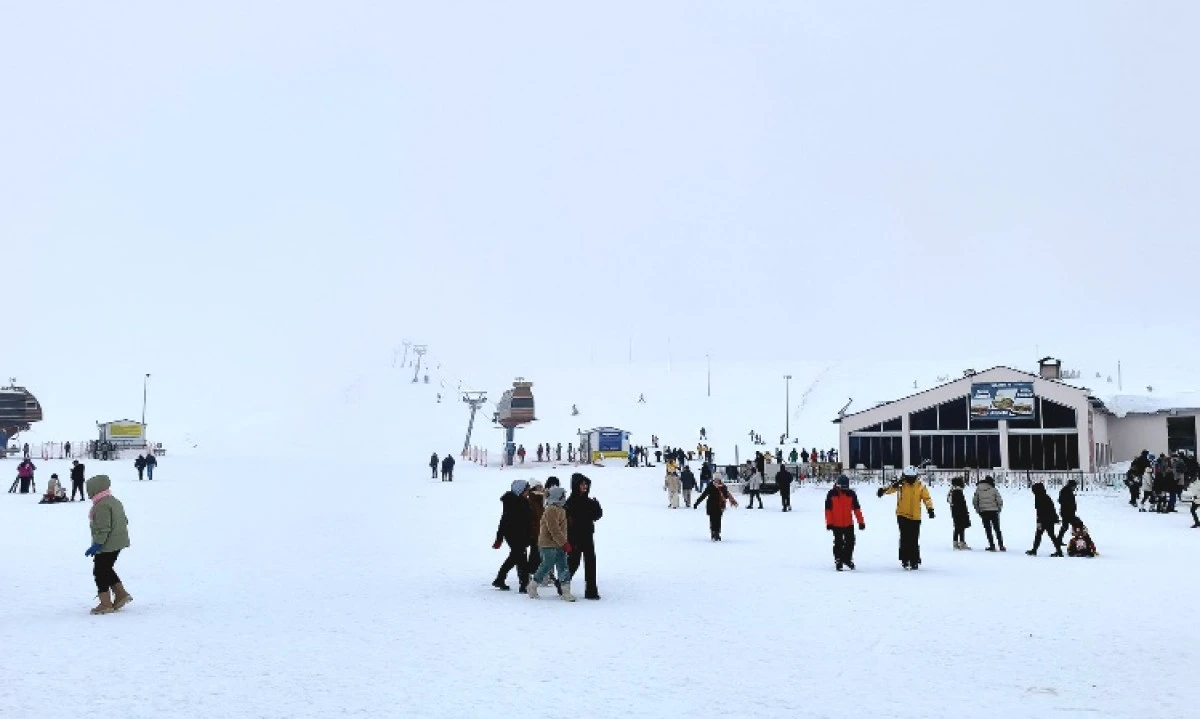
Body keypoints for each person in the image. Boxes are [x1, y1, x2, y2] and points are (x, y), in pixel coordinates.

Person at [84, 475, 132, 615]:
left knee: (99, 571)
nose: (88, 493)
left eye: (89, 490)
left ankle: (105, 603)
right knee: (106, 568)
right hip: (118, 541)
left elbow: (104, 527)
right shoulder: (114, 501)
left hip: (108, 543)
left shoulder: (102, 505)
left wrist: (97, 544)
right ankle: (121, 594)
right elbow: (125, 520)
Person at [877, 466, 934, 570]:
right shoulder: (900, 484)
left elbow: (927, 498)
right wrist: (882, 490)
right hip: (902, 515)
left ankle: (914, 560)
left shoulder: (921, 486)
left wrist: (930, 509)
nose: (911, 480)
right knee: (904, 538)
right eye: (909, 477)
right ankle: (904, 559)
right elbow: (889, 489)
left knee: (914, 538)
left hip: (916, 517)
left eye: (913, 477)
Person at [526, 486, 575, 601]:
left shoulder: (561, 509)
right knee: (546, 565)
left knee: (563, 567)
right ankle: (532, 586)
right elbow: (554, 529)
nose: (565, 498)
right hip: (548, 544)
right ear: (557, 496)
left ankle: (566, 591)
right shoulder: (551, 509)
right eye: (563, 496)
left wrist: (563, 542)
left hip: (559, 544)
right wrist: (564, 543)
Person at [564, 473, 603, 600]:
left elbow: (595, 516)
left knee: (591, 562)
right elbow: (567, 521)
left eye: (586, 484)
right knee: (573, 562)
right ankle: (562, 584)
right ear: (576, 485)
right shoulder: (570, 502)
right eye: (582, 484)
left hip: (587, 535)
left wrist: (597, 508)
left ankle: (591, 590)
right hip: (574, 537)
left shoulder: (589, 501)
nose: (584, 486)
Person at [492, 480, 533, 591]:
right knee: (520, 558)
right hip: (514, 536)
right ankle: (523, 584)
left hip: (521, 535)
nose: (528, 492)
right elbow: (504, 521)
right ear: (520, 490)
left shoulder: (522, 501)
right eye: (526, 490)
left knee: (516, 558)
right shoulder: (514, 503)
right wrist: (499, 538)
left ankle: (501, 579)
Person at [825, 475, 865, 570]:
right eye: (843, 487)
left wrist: (861, 522)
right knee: (838, 542)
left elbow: (856, 509)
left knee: (850, 542)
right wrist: (829, 523)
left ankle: (847, 559)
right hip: (836, 523)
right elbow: (828, 510)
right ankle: (838, 560)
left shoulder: (851, 494)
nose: (845, 489)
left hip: (848, 523)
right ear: (838, 485)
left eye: (846, 487)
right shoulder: (831, 494)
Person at [694, 476, 738, 541]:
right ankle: (713, 532)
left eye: (718, 480)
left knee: (718, 520)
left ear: (720, 480)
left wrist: (724, 493)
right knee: (712, 520)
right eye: (715, 480)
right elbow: (704, 495)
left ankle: (717, 533)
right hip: (711, 506)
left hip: (719, 506)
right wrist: (697, 503)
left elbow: (726, 496)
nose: (716, 481)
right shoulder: (710, 486)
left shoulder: (723, 487)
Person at [1027, 482, 1064, 557]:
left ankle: (1034, 550)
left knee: (1039, 535)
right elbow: (1052, 508)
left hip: (1044, 520)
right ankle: (1059, 551)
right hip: (1049, 520)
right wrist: (1055, 518)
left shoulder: (1039, 497)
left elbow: (1040, 511)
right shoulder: (1045, 496)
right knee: (1051, 536)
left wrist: (1039, 521)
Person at [972, 475, 1005, 551]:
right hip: (994, 511)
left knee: (988, 529)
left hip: (984, 512)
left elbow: (974, 501)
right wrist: (998, 509)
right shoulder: (994, 489)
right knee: (997, 529)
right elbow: (1000, 501)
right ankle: (1001, 545)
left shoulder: (978, 489)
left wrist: (978, 510)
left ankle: (992, 545)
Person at [948, 477, 971, 550]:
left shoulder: (952, 491)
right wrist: (965, 513)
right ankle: (961, 542)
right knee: (961, 527)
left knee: (958, 527)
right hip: (960, 512)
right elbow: (961, 504)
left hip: (955, 512)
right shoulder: (958, 492)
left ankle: (956, 542)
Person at [1055, 479, 1078, 546]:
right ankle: (1078, 540)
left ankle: (1058, 540)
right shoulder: (1065, 491)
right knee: (1075, 525)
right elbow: (1064, 501)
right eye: (1074, 486)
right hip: (1067, 513)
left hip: (1068, 512)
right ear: (1071, 486)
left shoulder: (1067, 491)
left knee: (1065, 526)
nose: (1075, 488)